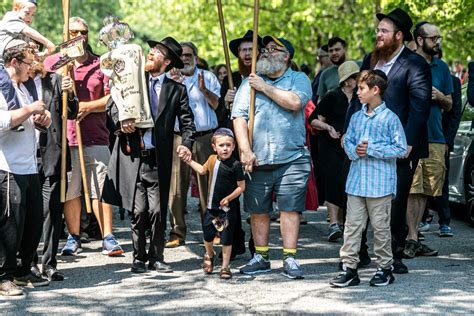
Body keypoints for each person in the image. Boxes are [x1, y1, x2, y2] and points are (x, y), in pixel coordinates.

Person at [344, 8, 431, 274]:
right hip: (361, 144)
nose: (378, 34)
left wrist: (409, 144)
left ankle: (393, 256)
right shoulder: (371, 59)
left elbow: (420, 106)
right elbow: (356, 98)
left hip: (398, 145)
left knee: (393, 200)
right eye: (378, 29)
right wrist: (348, 132)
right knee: (358, 197)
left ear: (399, 35)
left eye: (383, 31)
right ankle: (358, 254)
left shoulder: (416, 64)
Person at [103, 37, 195, 273]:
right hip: (132, 155)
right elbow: (112, 106)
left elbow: (187, 122)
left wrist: (186, 144)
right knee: (139, 210)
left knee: (157, 210)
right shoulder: (132, 81)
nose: (151, 53)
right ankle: (138, 257)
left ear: (167, 62)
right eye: (151, 49)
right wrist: (121, 123)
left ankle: (157, 256)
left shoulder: (177, 90)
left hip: (158, 158)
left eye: (157, 52)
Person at [232, 35, 312, 279]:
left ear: (286, 56)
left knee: (289, 209)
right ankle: (261, 257)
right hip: (258, 158)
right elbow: (239, 117)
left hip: (292, 158)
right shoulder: (249, 82)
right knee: (258, 210)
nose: (265, 52)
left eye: (272, 49)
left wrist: (264, 87)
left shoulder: (298, 79)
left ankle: (290, 258)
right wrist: (245, 149)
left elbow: (295, 103)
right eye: (264, 49)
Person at [330, 70, 407, 287]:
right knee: (352, 227)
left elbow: (401, 148)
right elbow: (347, 141)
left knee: (381, 228)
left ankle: (385, 268)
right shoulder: (355, 117)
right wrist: (356, 150)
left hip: (379, 185)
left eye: (361, 89)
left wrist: (372, 149)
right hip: (356, 183)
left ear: (376, 90)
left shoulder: (391, 119)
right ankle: (350, 269)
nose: (357, 93)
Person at [57, 17, 123, 257]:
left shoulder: (101, 63)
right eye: (72, 31)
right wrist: (61, 88)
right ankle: (73, 237)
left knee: (101, 189)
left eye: (82, 32)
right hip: (67, 140)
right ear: (65, 35)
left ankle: (108, 237)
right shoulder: (58, 64)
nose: (78, 36)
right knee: (71, 192)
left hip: (96, 137)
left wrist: (87, 106)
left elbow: (112, 97)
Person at [0, 40, 52, 296]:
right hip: (7, 166)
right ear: (14, 63)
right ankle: (3, 275)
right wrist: (30, 109)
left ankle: (23, 269)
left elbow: (34, 121)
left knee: (33, 221)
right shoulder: (2, 88)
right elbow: (3, 121)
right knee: (10, 224)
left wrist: (43, 117)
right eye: (28, 63)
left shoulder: (23, 88)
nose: (32, 68)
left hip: (30, 164)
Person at [25, 49, 78, 281]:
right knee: (29, 213)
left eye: (38, 54)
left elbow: (72, 112)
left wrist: (71, 91)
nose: (35, 58)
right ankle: (29, 262)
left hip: (53, 154)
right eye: (31, 54)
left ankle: (49, 263)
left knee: (52, 212)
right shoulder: (17, 85)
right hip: (25, 156)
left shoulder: (55, 79)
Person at [404, 22, 453, 259]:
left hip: (434, 136)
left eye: (439, 37)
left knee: (425, 189)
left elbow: (450, 104)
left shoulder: (442, 68)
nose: (438, 42)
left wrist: (441, 96)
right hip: (411, 136)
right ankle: (408, 236)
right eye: (434, 38)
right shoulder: (406, 63)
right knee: (410, 187)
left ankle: (413, 237)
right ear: (420, 40)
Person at [166, 41, 221, 248]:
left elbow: (217, 105)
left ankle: (213, 229)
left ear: (196, 58)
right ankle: (177, 232)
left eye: (189, 55)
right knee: (176, 187)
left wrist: (203, 90)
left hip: (205, 137)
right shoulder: (169, 78)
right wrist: (175, 86)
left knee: (208, 185)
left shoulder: (208, 77)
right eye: (181, 55)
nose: (185, 58)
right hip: (179, 137)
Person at [216, 30, 263, 259]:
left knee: (257, 198)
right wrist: (225, 103)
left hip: (259, 144)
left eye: (251, 50)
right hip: (234, 147)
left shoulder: (266, 77)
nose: (246, 54)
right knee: (230, 197)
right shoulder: (231, 79)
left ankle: (258, 245)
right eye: (243, 50)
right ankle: (233, 243)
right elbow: (220, 117)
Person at [183, 128, 245, 279]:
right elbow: (202, 170)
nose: (225, 148)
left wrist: (229, 198)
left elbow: (241, 186)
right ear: (214, 147)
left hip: (227, 209)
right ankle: (209, 253)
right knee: (208, 234)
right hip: (211, 207)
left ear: (234, 146)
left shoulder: (235, 165)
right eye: (221, 145)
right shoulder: (211, 160)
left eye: (228, 145)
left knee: (226, 238)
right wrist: (189, 161)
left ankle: (225, 267)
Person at [309, 61, 359, 241]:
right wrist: (328, 128)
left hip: (351, 148)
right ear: (346, 80)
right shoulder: (332, 96)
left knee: (349, 184)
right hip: (330, 146)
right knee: (333, 183)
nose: (357, 80)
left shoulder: (360, 98)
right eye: (354, 77)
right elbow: (313, 120)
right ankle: (334, 224)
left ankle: (347, 224)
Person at [0, 0, 55, 131]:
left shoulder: (21, 34)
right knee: (7, 86)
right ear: (16, 9)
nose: (30, 17)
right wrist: (48, 43)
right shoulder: (11, 20)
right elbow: (29, 32)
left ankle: (36, 115)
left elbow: (26, 53)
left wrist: (42, 54)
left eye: (33, 15)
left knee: (30, 83)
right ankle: (15, 115)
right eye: (27, 13)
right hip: (2, 64)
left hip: (14, 63)